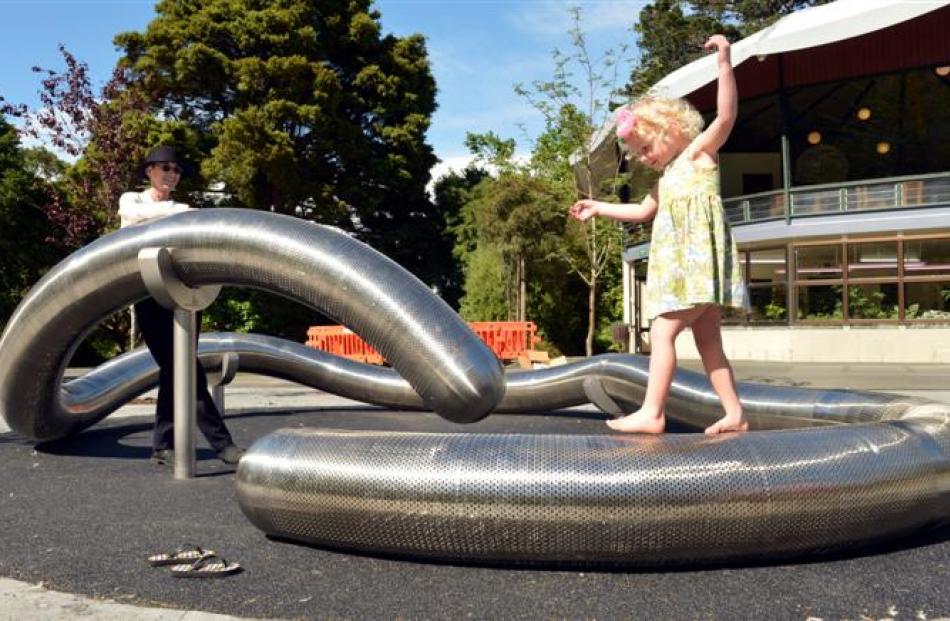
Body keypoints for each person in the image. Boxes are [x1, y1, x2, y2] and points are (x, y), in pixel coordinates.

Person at [570, 35, 748, 435]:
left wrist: (724, 64)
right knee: (708, 343)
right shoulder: (665, 181)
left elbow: (725, 116)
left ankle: (653, 412)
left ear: (669, 128)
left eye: (647, 147)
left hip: (695, 268)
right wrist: (599, 207)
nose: (645, 158)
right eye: (639, 154)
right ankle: (734, 412)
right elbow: (640, 212)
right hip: (689, 272)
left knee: (664, 330)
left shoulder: (699, 153)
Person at [119, 145, 245, 465]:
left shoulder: (184, 207)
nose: (171, 175)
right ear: (149, 170)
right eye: (165, 168)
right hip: (147, 294)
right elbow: (134, 218)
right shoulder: (132, 200)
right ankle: (222, 444)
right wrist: (178, 214)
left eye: (176, 170)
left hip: (184, 295)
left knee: (176, 369)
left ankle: (162, 445)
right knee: (182, 367)